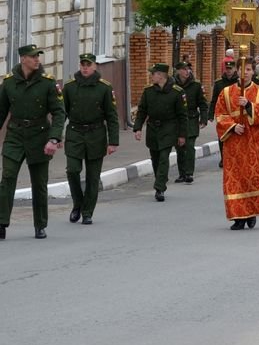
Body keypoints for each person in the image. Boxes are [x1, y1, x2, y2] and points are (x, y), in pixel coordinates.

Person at [0, 44, 67, 240]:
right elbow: (1, 111)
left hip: (39, 136)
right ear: (23, 59)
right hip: (15, 135)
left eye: (38, 56)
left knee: (39, 183)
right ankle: (2, 222)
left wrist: (54, 138)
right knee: (7, 178)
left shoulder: (48, 83)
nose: (37, 59)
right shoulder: (9, 83)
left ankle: (40, 225)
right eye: (33, 57)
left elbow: (58, 112)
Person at [62, 53, 119, 226]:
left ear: (95, 66)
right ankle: (78, 203)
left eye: (88, 64)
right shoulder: (70, 87)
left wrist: (113, 141)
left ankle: (87, 212)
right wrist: (55, 136)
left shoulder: (104, 88)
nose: (85, 67)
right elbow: (61, 113)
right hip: (75, 134)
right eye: (82, 64)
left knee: (93, 177)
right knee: (72, 170)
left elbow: (111, 116)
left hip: (96, 134)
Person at [214, 60, 259, 230]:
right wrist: (232, 126)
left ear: (253, 72)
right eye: (241, 69)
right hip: (233, 143)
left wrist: (248, 105)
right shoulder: (226, 92)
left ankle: (251, 212)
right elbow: (220, 114)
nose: (244, 72)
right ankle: (238, 216)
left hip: (252, 142)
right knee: (235, 179)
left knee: (252, 178)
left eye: (248, 69)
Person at [133, 64, 187, 203]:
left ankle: (160, 187)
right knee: (155, 158)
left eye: (154, 74)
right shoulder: (148, 91)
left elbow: (182, 115)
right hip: (152, 129)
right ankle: (161, 178)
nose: (152, 76)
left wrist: (182, 135)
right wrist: (137, 128)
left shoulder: (177, 92)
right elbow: (142, 111)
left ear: (161, 75)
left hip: (169, 128)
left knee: (164, 157)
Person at [173, 60, 207, 185]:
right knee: (179, 147)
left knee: (189, 145)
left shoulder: (196, 85)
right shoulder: (172, 85)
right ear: (178, 71)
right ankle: (182, 173)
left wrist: (204, 119)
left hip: (191, 118)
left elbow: (203, 103)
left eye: (188, 69)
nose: (187, 71)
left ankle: (189, 173)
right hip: (176, 120)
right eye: (184, 69)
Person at [209, 60, 239, 168]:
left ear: (235, 69)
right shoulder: (219, 83)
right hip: (222, 113)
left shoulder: (239, 82)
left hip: (235, 113)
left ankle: (235, 157)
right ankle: (223, 158)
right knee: (222, 135)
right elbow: (214, 100)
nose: (229, 71)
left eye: (231, 69)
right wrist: (210, 114)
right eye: (227, 69)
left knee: (235, 136)